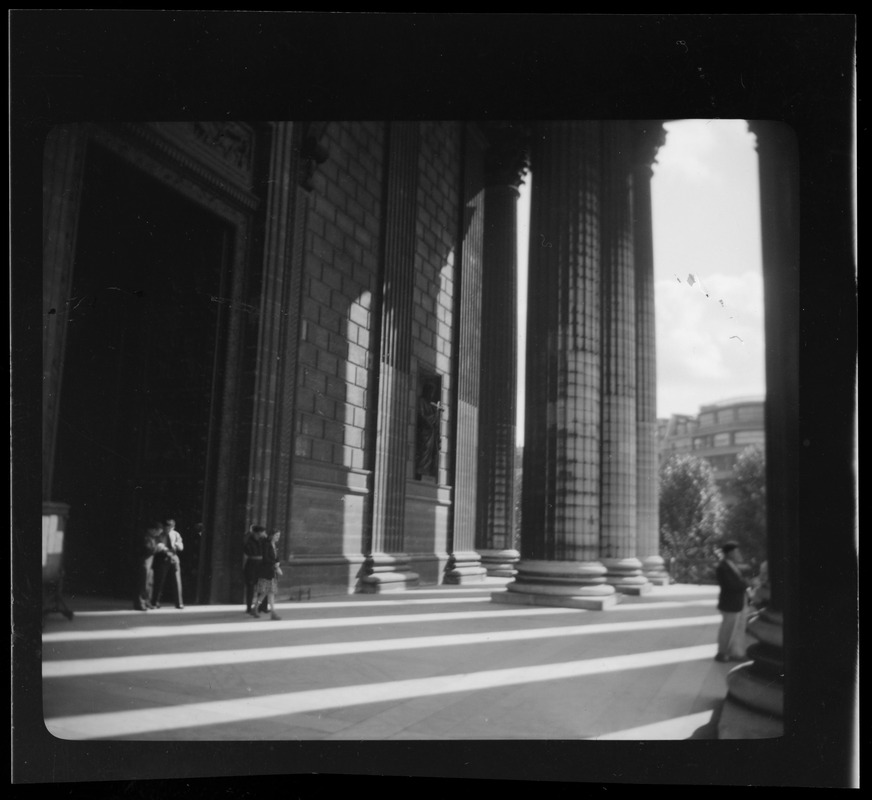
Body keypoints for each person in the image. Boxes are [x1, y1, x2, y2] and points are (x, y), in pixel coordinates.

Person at [714, 540, 751, 662]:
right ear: (730, 553)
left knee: (735, 630)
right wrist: (747, 584)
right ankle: (721, 653)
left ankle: (734, 652)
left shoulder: (731, 565)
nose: (738, 554)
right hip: (729, 603)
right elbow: (731, 585)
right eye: (736, 552)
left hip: (736, 602)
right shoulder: (723, 567)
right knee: (727, 630)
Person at [251, 528, 283, 620]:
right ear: (271, 535)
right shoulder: (267, 545)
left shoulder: (274, 545)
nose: (278, 537)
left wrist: (278, 563)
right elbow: (265, 558)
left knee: (266, 592)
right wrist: (274, 564)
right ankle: (272, 613)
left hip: (271, 572)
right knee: (269, 592)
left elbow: (277, 558)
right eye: (277, 535)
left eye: (279, 536)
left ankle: (255, 608)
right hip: (266, 572)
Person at [152, 518, 185, 609]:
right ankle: (155, 602)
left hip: (174, 557)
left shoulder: (176, 534)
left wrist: (178, 546)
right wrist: (162, 548)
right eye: (166, 528)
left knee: (177, 581)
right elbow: (157, 544)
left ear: (173, 527)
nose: (167, 530)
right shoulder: (160, 534)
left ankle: (179, 603)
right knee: (159, 580)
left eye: (169, 528)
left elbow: (181, 546)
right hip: (163, 558)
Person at [134, 522, 162, 611]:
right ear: (152, 530)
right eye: (158, 532)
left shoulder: (153, 538)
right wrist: (157, 548)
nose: (158, 534)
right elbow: (147, 549)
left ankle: (147, 602)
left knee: (149, 583)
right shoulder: (145, 537)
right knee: (143, 583)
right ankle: (140, 603)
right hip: (144, 562)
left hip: (150, 563)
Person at [243, 525, 268, 615]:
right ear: (258, 532)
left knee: (262, 586)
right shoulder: (249, 540)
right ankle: (249, 608)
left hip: (261, 565)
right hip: (251, 564)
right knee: (250, 587)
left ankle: (262, 607)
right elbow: (244, 543)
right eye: (263, 532)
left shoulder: (263, 540)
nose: (265, 534)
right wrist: (250, 532)